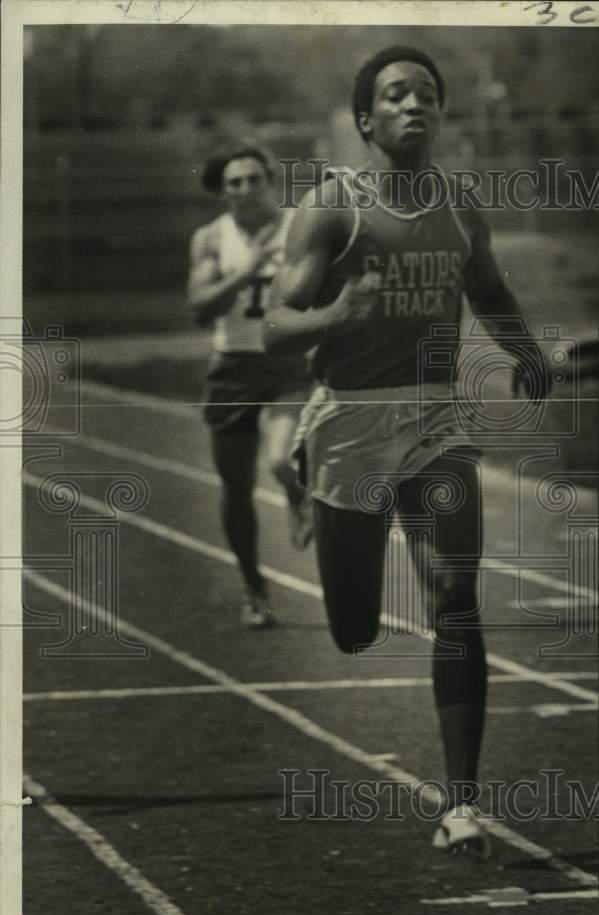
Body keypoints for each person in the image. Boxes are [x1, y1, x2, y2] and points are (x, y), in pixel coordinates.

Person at [265, 47, 551, 855]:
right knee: (354, 629)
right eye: (395, 95)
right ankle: (303, 480)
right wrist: (336, 318)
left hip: (432, 421)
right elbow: (277, 327)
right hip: (348, 423)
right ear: (366, 120)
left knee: (454, 593)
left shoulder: (460, 206)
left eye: (426, 94)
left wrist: (523, 350)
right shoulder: (330, 209)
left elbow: (489, 289)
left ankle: (461, 804)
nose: (413, 105)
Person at [188, 142, 312, 628]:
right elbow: (200, 306)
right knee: (235, 488)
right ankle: (254, 587)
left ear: (270, 182)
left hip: (285, 364)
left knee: (281, 458)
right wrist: (246, 270)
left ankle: (298, 495)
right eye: (234, 183)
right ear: (223, 193)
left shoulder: (298, 229)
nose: (245, 189)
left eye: (253, 180)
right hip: (232, 368)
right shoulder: (211, 240)